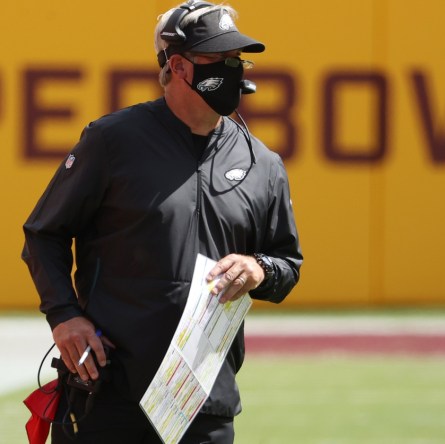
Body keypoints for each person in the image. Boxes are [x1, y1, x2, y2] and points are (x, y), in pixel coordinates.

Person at [21, 1, 302, 442]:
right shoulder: (113, 141)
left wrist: (258, 269)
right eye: (219, 59)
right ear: (179, 66)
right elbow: (43, 234)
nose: (233, 68)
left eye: (237, 59)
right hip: (109, 393)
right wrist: (64, 316)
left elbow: (288, 265)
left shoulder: (263, 163)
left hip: (204, 402)